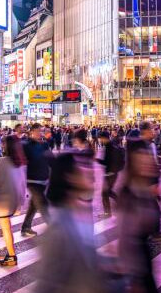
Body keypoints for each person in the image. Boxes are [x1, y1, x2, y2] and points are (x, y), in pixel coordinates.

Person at [35, 153, 106, 293]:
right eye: (83, 166)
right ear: (69, 176)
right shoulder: (58, 230)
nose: (91, 169)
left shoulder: (81, 212)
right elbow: (46, 285)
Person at [117, 138, 161, 293]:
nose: (148, 162)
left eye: (148, 157)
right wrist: (134, 277)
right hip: (137, 267)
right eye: (142, 159)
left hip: (144, 262)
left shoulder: (143, 188)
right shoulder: (130, 192)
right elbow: (127, 237)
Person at [0, 135, 27, 266]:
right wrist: (21, 202)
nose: (2, 146)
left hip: (3, 201)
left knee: (6, 229)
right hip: (14, 200)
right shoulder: (21, 162)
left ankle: (11, 255)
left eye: (3, 143)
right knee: (8, 228)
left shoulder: (2, 161)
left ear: (7, 146)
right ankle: (10, 253)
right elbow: (23, 184)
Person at [21, 123, 51, 236]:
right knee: (43, 204)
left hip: (43, 179)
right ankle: (56, 230)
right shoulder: (26, 145)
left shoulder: (44, 145)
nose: (40, 133)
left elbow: (50, 160)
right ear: (31, 132)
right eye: (38, 131)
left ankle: (25, 227)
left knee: (34, 205)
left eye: (41, 131)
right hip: (32, 180)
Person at [98, 131, 124, 216]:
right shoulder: (111, 144)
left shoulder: (109, 146)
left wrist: (97, 160)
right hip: (113, 173)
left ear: (105, 138)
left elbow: (106, 162)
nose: (101, 140)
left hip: (110, 174)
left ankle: (108, 212)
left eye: (101, 138)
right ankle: (121, 204)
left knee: (105, 193)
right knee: (108, 192)